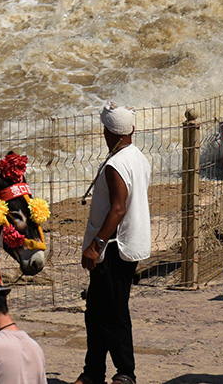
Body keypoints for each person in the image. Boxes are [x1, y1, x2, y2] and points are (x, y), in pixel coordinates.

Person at [75, 103, 151, 384]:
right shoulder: (137, 157)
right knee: (96, 311)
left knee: (114, 311)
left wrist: (96, 245)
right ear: (131, 129)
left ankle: (125, 372)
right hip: (129, 242)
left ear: (107, 131)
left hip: (114, 248)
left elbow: (118, 209)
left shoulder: (115, 165)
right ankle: (93, 371)